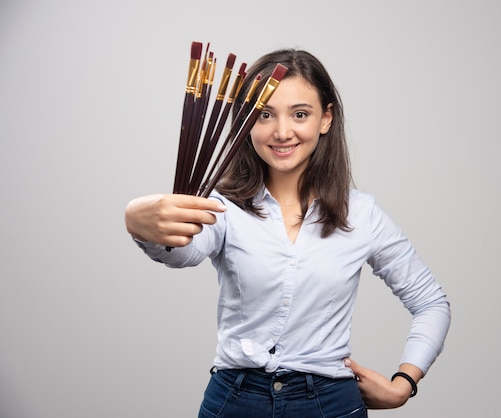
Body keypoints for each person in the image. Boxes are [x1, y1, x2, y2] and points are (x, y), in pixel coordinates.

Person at [125, 48, 451, 417]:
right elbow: (181, 252)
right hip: (235, 400)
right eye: (264, 115)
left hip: (330, 403)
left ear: (325, 119)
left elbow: (432, 304)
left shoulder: (362, 213)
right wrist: (139, 222)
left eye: (300, 114)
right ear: (246, 121)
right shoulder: (223, 206)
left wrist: (404, 383)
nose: (282, 132)